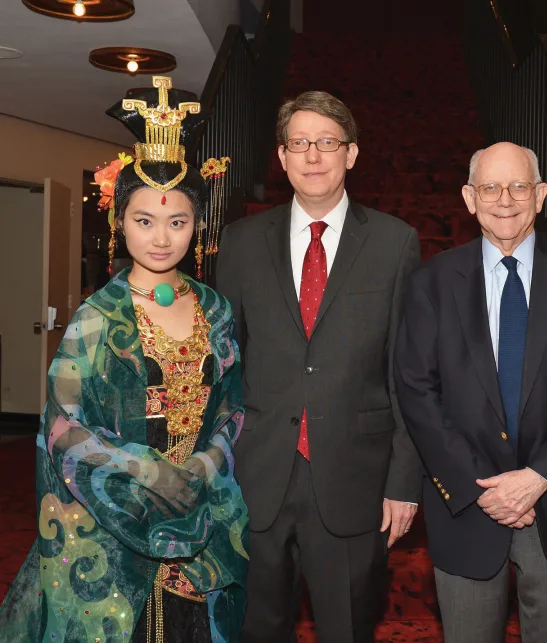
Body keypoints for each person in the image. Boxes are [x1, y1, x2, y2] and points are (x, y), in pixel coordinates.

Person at [0, 76, 248, 642]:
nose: (162, 238)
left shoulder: (216, 308)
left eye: (178, 221)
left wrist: (205, 467)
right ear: (119, 222)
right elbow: (60, 426)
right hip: (114, 520)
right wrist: (144, 470)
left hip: (199, 512)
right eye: (145, 220)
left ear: (198, 226)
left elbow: (233, 408)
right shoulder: (96, 317)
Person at [393, 142, 547, 643]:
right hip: (468, 507)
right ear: (468, 198)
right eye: (490, 187)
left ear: (540, 195)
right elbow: (415, 388)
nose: (505, 199)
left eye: (519, 186)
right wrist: (481, 485)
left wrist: (540, 476)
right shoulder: (432, 281)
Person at [215, 91, 421, 643]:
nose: (313, 156)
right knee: (256, 630)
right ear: (281, 158)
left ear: (351, 154)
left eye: (327, 142)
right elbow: (224, 366)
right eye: (299, 143)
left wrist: (404, 481)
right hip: (257, 476)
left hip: (356, 478)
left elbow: (407, 370)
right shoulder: (239, 243)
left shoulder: (394, 242)